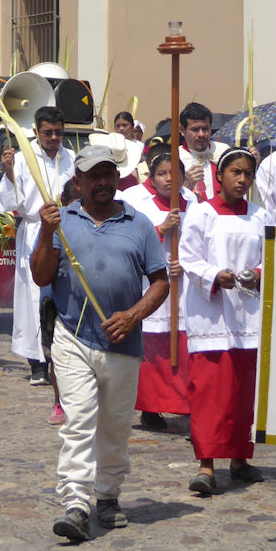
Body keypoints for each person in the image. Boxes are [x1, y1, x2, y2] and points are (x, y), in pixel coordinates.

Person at [32, 144, 169, 542]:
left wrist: (133, 316)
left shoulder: (138, 223)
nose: (103, 182)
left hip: (123, 344)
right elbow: (41, 276)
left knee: (115, 427)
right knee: (78, 423)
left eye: (109, 174)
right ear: (78, 182)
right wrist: (46, 232)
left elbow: (160, 282)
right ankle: (76, 503)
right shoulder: (61, 221)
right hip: (72, 337)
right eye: (94, 176)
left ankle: (108, 494)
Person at [180, 147, 267, 495]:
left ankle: (239, 459)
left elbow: (271, 256)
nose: (242, 180)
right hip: (212, 314)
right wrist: (215, 275)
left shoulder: (261, 216)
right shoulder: (202, 213)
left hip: (247, 314)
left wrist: (258, 273)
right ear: (219, 175)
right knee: (209, 392)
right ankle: (206, 464)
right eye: (235, 172)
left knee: (243, 393)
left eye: (248, 174)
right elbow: (188, 257)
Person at [0, 106, 75, 402]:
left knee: (65, 291)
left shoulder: (71, 158)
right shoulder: (22, 159)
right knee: (33, 296)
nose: (54, 138)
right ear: (36, 132)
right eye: (48, 133)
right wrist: (8, 173)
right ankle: (38, 361)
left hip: (68, 230)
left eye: (58, 132)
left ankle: (63, 355)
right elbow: (5, 203)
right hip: (35, 232)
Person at [120, 146, 191, 431]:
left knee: (184, 346)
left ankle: (186, 404)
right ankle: (150, 407)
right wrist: (161, 229)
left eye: (175, 173)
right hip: (151, 282)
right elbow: (130, 240)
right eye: (162, 174)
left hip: (186, 286)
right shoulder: (139, 205)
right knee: (154, 350)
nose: (169, 179)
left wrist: (186, 264)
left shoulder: (196, 205)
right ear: (152, 177)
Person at [178, 102, 228, 203]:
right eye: (195, 129)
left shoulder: (224, 151)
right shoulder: (175, 157)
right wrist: (186, 186)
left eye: (205, 129)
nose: (201, 134)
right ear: (182, 130)